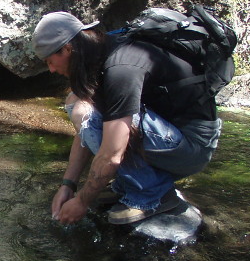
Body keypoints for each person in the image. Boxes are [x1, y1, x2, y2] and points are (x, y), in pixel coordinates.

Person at [31, 11, 221, 225]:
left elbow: (112, 153)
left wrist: (82, 202)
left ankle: (153, 195)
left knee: (83, 110)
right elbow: (86, 132)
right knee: (77, 101)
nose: (51, 70)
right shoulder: (100, 49)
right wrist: (68, 184)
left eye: (50, 61)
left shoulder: (120, 69)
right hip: (169, 133)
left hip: (193, 146)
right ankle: (130, 183)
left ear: (67, 49)